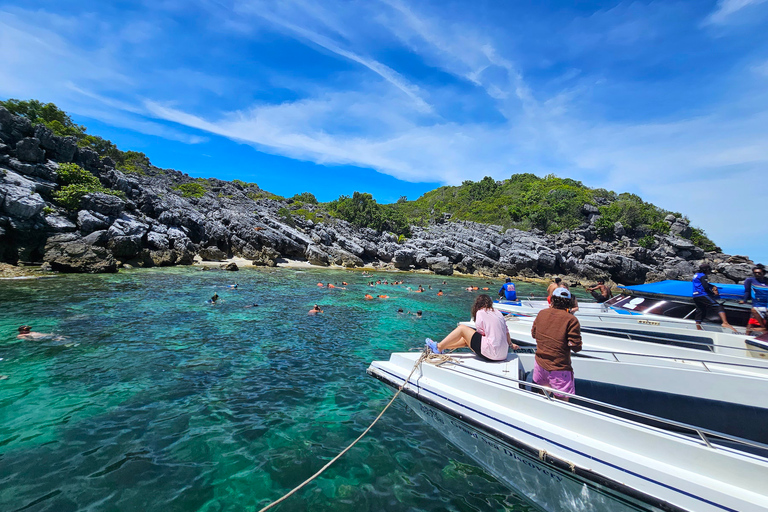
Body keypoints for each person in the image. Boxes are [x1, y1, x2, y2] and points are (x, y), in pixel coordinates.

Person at [425, 295, 519, 360]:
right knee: (467, 340)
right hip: (503, 354)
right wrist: (511, 345)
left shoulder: (481, 312)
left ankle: (438, 347)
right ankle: (442, 347)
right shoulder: (498, 312)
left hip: (491, 354)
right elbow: (506, 332)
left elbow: (480, 332)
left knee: (462, 328)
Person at [530, 288, 582, 401]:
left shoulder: (542, 313)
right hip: (559, 368)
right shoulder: (571, 320)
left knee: (542, 397)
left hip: (540, 364)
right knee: (562, 402)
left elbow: (534, 334)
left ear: (552, 300)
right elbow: (577, 347)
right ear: (569, 302)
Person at [692, 264, 737, 333]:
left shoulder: (697, 275)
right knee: (717, 306)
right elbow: (705, 287)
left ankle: (698, 328)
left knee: (700, 310)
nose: (709, 272)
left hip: (695, 295)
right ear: (706, 270)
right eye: (709, 270)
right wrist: (713, 293)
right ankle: (725, 323)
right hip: (702, 294)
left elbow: (701, 283)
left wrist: (712, 285)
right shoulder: (703, 275)